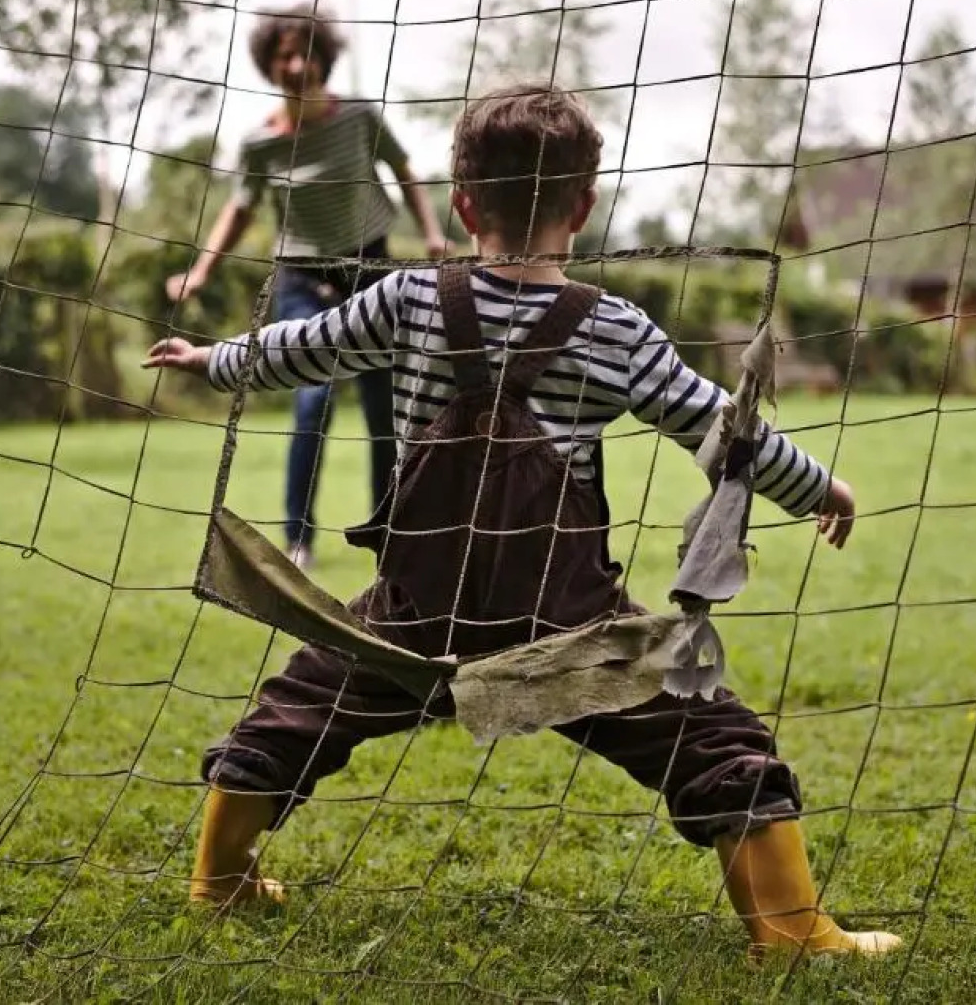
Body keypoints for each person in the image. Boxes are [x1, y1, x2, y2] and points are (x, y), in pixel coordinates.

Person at [143, 84, 901, 961]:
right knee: (712, 737)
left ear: (462, 204)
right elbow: (721, 432)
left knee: (293, 713)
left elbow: (299, 348)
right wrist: (818, 490)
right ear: (582, 206)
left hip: (413, 616)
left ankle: (219, 878)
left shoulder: (407, 298)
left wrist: (212, 360)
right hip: (566, 626)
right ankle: (790, 928)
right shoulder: (616, 329)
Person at [166, 1, 450, 568]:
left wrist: (433, 234)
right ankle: (299, 541)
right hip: (300, 276)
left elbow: (405, 170)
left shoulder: (359, 118)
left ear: (324, 58)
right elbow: (240, 210)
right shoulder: (260, 143)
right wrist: (200, 272)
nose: (296, 64)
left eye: (305, 53)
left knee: (383, 410)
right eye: (283, 56)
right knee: (312, 400)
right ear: (270, 65)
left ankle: (387, 531)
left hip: (371, 270)